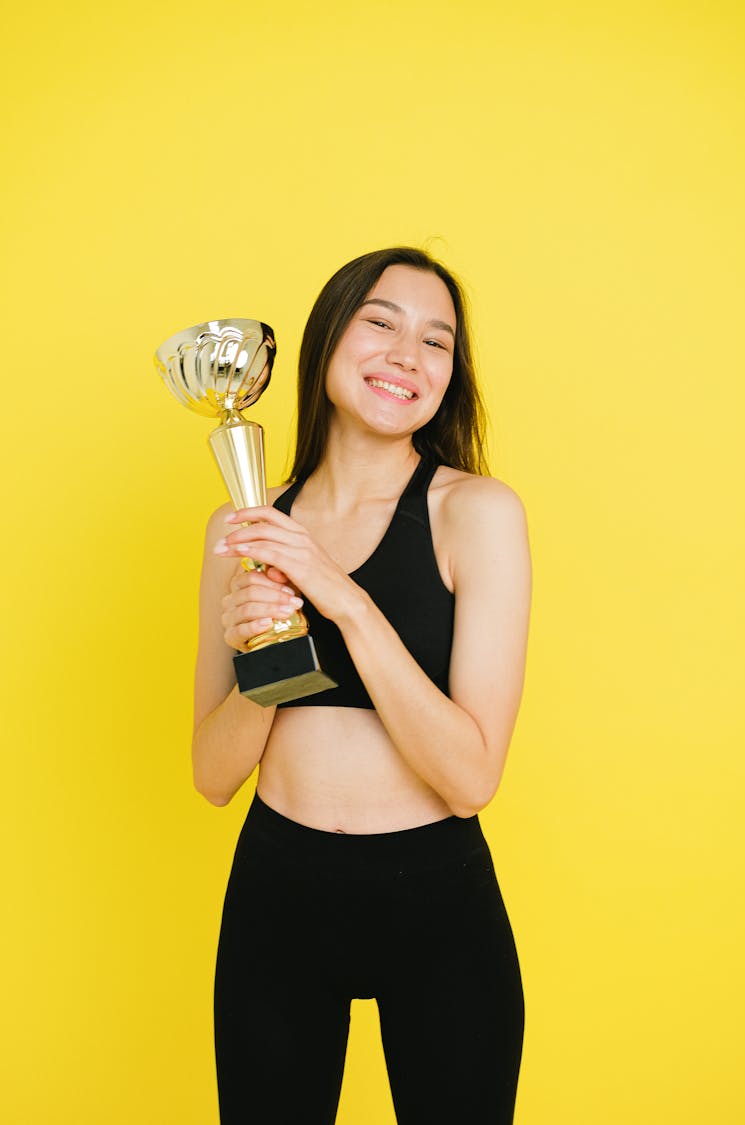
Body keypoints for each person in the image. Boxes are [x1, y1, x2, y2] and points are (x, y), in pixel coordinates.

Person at [192, 247, 532, 1124]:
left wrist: (342, 598)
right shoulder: (245, 522)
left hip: (438, 900)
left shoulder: (476, 513)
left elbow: (471, 778)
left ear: (451, 376)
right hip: (279, 890)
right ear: (329, 338)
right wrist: (267, 655)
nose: (407, 355)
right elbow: (212, 772)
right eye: (381, 321)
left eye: (438, 341)